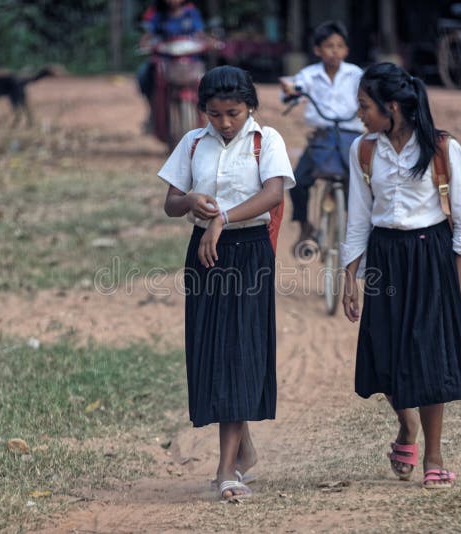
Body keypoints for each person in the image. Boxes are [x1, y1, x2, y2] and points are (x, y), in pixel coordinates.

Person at [341, 63, 461, 489]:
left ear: (393, 106)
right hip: (385, 256)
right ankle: (407, 428)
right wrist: (350, 278)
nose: (360, 115)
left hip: (431, 257)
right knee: (382, 354)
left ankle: (434, 458)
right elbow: (358, 219)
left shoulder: (442, 148)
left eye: (365, 106)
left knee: (430, 357)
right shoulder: (364, 151)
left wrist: (459, 281)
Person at [158, 66, 295, 500]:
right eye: (214, 114)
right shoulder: (193, 142)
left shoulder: (265, 141)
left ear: (250, 106)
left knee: (238, 352)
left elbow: (273, 193)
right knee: (211, 352)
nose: (224, 123)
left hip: (249, 253)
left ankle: (225, 473)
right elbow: (170, 204)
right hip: (204, 256)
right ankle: (242, 446)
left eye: (233, 112)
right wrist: (190, 201)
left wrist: (222, 218)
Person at [279, 20, 362, 254]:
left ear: (346, 50)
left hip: (351, 138)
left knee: (363, 184)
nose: (335, 51)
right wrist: (290, 91)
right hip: (322, 140)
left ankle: (361, 231)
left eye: (340, 46)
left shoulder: (356, 74)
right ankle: (306, 227)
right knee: (297, 182)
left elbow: (371, 90)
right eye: (329, 46)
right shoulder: (310, 74)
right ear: (317, 50)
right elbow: (294, 89)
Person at [137, 0, 206, 125]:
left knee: (210, 80)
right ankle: (153, 110)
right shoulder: (158, 14)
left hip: (190, 61)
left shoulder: (191, 13)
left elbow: (200, 33)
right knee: (143, 75)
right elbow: (148, 34)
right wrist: (144, 43)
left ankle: (207, 113)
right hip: (165, 60)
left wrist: (208, 42)